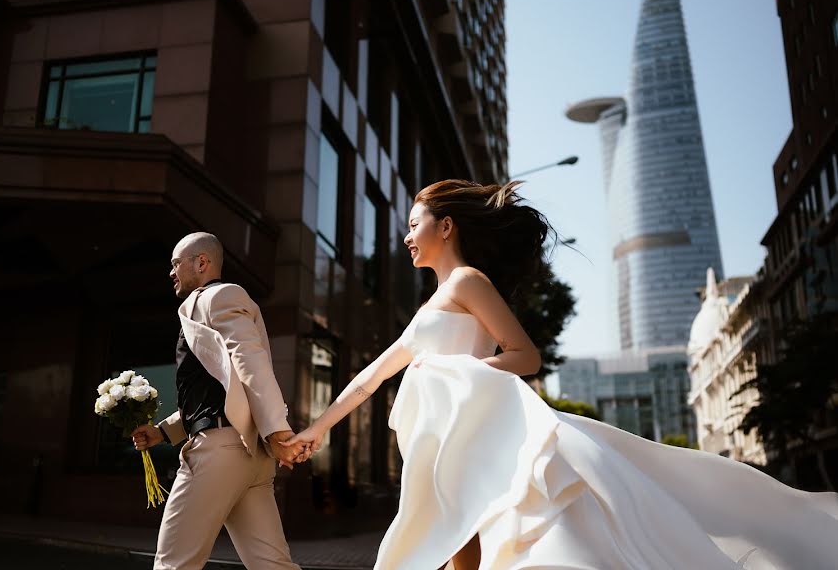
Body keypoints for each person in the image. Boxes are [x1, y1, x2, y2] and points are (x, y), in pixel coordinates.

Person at [284, 180, 838, 570]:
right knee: (459, 539)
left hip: (479, 435)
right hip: (446, 441)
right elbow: (371, 377)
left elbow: (525, 355)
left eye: (414, 224)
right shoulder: (430, 307)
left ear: (446, 226)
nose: (406, 236)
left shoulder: (467, 283)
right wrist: (317, 429)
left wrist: (461, 375)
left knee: (490, 536)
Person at [131, 232, 307, 570]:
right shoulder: (206, 306)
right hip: (248, 458)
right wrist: (164, 431)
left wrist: (276, 432)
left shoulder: (220, 296)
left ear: (201, 263)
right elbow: (223, 386)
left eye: (175, 264)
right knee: (273, 567)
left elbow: (250, 361)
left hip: (220, 453)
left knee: (174, 565)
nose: (171, 272)